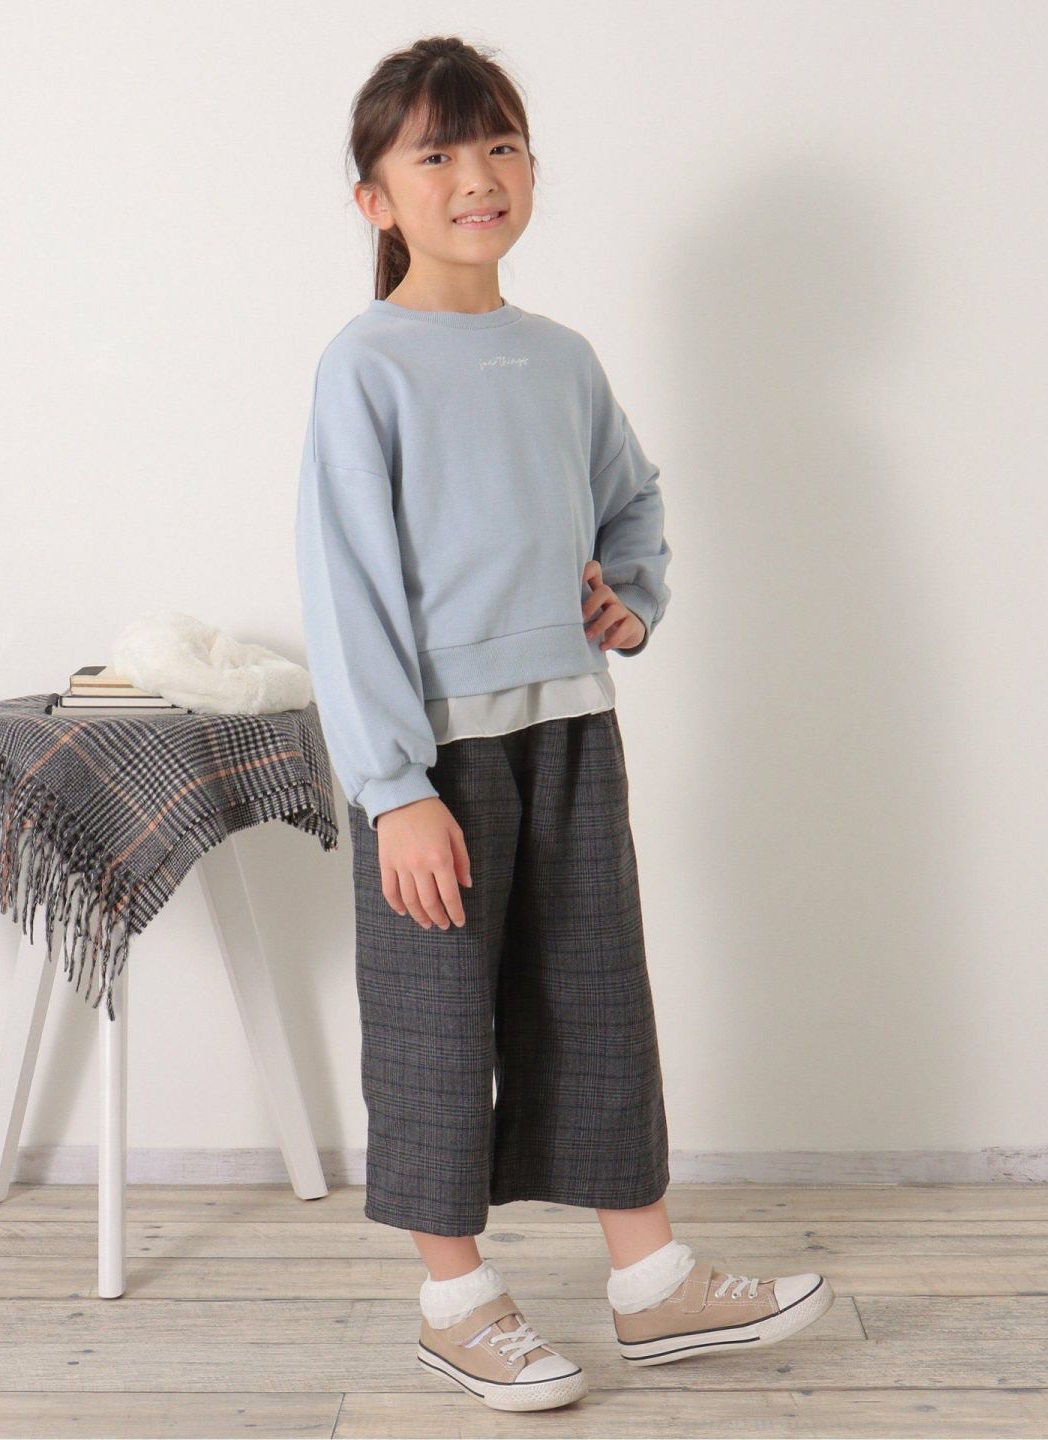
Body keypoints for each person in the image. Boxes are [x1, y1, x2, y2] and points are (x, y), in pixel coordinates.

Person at [295, 34, 833, 1413]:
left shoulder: (561, 359)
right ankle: (457, 1303)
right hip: (434, 755)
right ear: (375, 199)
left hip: (573, 729)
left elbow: (632, 502)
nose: (477, 176)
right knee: (433, 1018)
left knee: (595, 997)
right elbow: (345, 591)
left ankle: (652, 1283)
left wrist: (628, 604)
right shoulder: (366, 365)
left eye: (501, 146)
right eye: (437, 153)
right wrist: (395, 788)